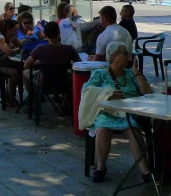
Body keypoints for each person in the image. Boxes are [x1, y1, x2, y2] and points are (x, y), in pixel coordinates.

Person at [84, 41, 153, 183]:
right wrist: (107, 94)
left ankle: (145, 170)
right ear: (114, 56)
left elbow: (147, 92)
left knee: (132, 129)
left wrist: (136, 72)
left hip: (129, 113)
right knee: (102, 130)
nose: (129, 56)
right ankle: (101, 167)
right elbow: (86, 91)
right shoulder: (100, 74)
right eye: (125, 53)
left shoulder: (130, 74)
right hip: (108, 112)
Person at [23, 21, 81, 113]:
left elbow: (26, 65)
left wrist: (38, 63)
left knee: (24, 72)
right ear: (59, 32)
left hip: (44, 82)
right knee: (72, 76)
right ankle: (64, 105)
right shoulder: (69, 49)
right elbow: (79, 63)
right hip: (64, 82)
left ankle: (34, 103)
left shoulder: (40, 49)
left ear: (45, 34)